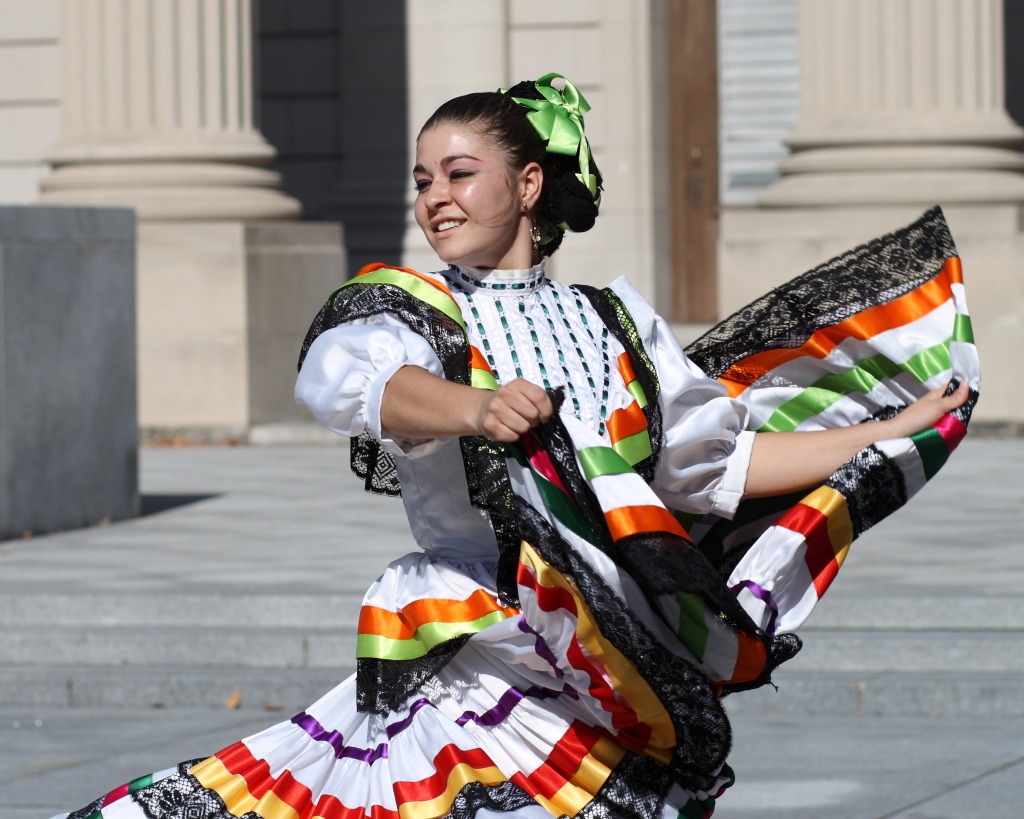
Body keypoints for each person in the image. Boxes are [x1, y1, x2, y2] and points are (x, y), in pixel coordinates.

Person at [59, 74, 976, 819]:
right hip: (479, 642)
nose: (435, 198)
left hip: (610, 651)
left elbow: (718, 469)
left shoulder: (615, 322)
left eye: (459, 174)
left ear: (528, 185)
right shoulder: (413, 306)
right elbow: (351, 384)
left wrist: (883, 432)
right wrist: (473, 404)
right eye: (423, 180)